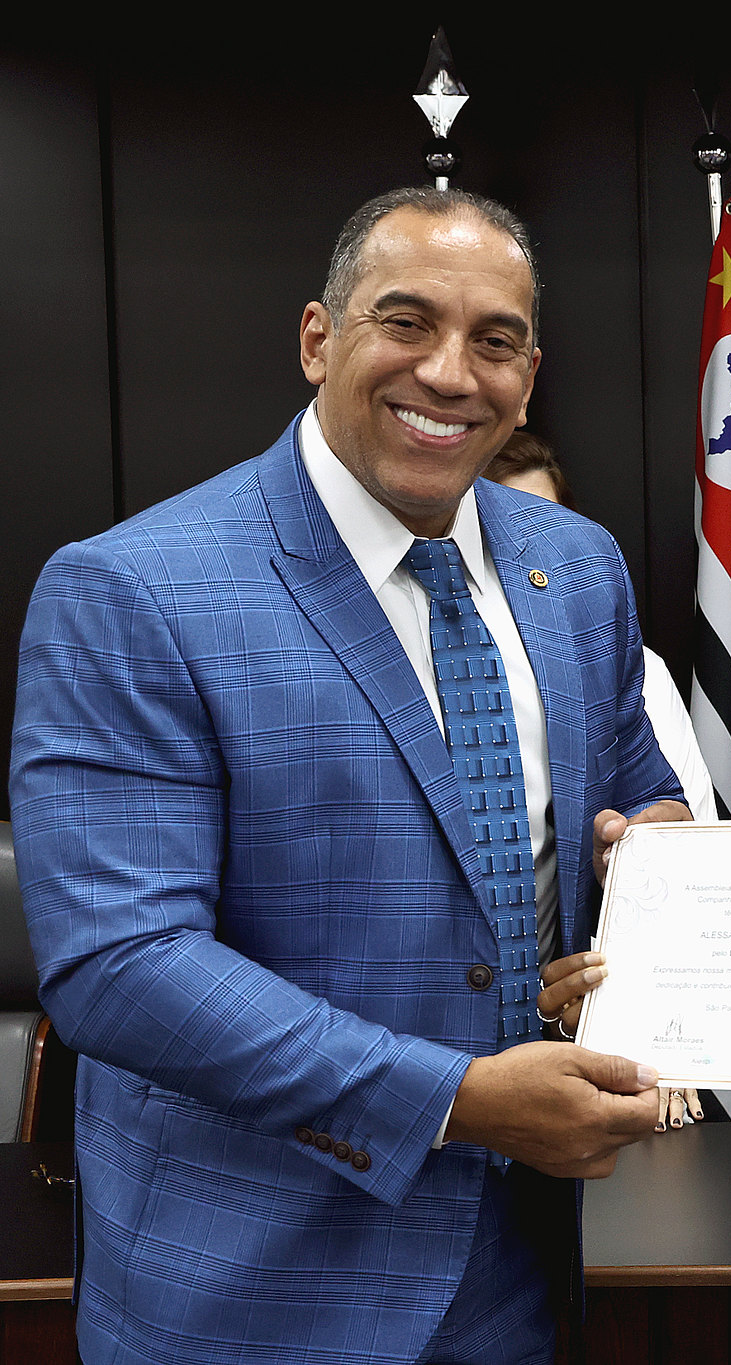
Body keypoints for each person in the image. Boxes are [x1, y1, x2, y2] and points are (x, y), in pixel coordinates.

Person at [11, 187, 687, 1365]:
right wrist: (461, 1100)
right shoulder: (134, 590)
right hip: (253, 1286)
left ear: (530, 372)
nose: (449, 374)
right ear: (319, 337)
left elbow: (635, 787)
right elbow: (119, 969)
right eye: (406, 322)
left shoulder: (575, 568)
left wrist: (660, 876)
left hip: (525, 1262)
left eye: (495, 341)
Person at [483, 430, 730, 1126]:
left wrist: (642, 854)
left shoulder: (623, 667)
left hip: (585, 1060)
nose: (513, 547)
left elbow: (682, 836)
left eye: (540, 525)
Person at [484, 432, 719, 823]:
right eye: (506, 527)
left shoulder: (627, 667)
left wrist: (635, 840)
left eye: (543, 524)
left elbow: (679, 819)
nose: (523, 549)